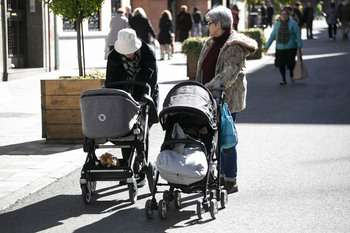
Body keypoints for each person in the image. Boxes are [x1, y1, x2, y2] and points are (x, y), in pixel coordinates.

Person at [195, 5, 258, 194]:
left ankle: (230, 179)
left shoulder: (234, 44)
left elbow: (230, 72)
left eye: (210, 23)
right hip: (208, 97)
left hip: (226, 98)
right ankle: (220, 176)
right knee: (213, 136)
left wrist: (212, 84)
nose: (207, 26)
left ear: (219, 24)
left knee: (226, 139)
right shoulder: (212, 41)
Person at [105, 28, 158, 186]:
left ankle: (139, 165)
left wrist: (142, 101)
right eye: (125, 52)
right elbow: (110, 80)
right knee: (125, 129)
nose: (128, 54)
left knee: (141, 131)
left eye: (130, 51)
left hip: (144, 92)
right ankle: (128, 167)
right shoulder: (114, 56)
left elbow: (152, 80)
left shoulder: (148, 53)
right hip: (123, 94)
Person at [265, 9, 302, 85]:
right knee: (281, 64)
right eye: (282, 14)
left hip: (291, 47)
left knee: (291, 63)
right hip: (280, 48)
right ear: (280, 15)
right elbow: (272, 36)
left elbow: (298, 35)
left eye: (285, 14)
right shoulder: (277, 24)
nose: (284, 16)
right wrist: (267, 46)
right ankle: (283, 79)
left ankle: (291, 73)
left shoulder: (293, 24)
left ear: (288, 15)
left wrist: (299, 45)